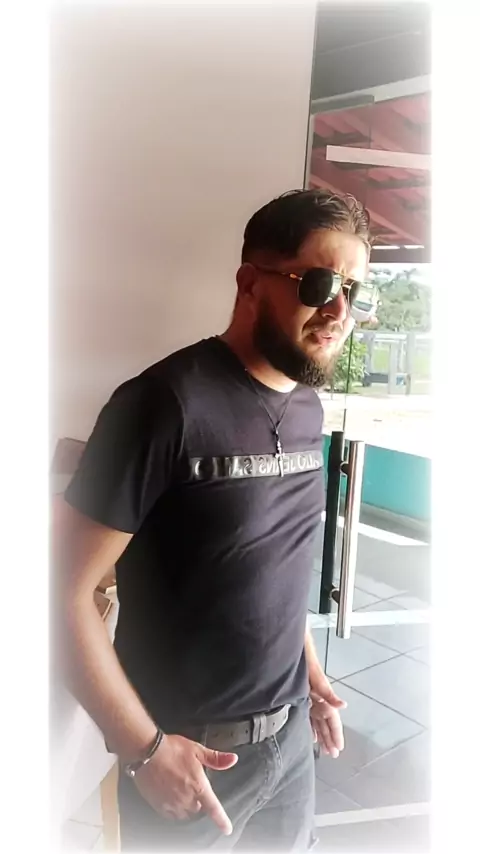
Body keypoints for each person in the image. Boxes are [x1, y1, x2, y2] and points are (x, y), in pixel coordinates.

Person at [54, 188, 372, 851]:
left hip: (291, 747)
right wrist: (144, 751)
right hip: (191, 765)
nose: (340, 310)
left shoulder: (307, 408)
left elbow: (272, 567)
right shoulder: (162, 406)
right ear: (250, 283)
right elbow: (61, 594)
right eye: (320, 283)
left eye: (353, 290)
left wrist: (309, 675)